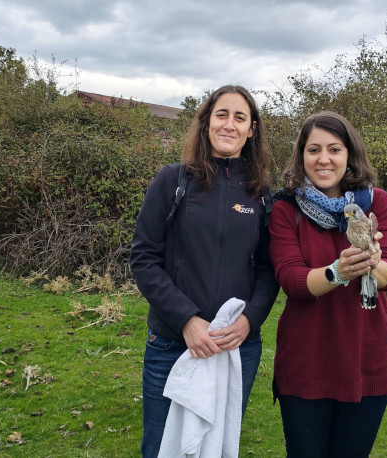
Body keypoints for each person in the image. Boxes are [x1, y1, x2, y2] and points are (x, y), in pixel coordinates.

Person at [130, 85, 279, 457]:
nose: (229, 124)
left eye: (240, 117)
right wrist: (186, 320)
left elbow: (268, 269)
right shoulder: (173, 180)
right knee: (162, 446)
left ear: (252, 129)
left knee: (217, 447)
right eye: (222, 114)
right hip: (171, 344)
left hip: (236, 348)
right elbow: (144, 257)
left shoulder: (260, 194)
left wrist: (249, 322)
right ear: (207, 123)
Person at [268, 110, 387, 457]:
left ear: (350, 155)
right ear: (301, 156)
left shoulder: (378, 202)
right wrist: (338, 272)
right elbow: (292, 279)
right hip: (306, 360)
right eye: (313, 150)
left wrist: (374, 263)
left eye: (334, 149)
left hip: (366, 356)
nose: (323, 159)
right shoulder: (285, 208)